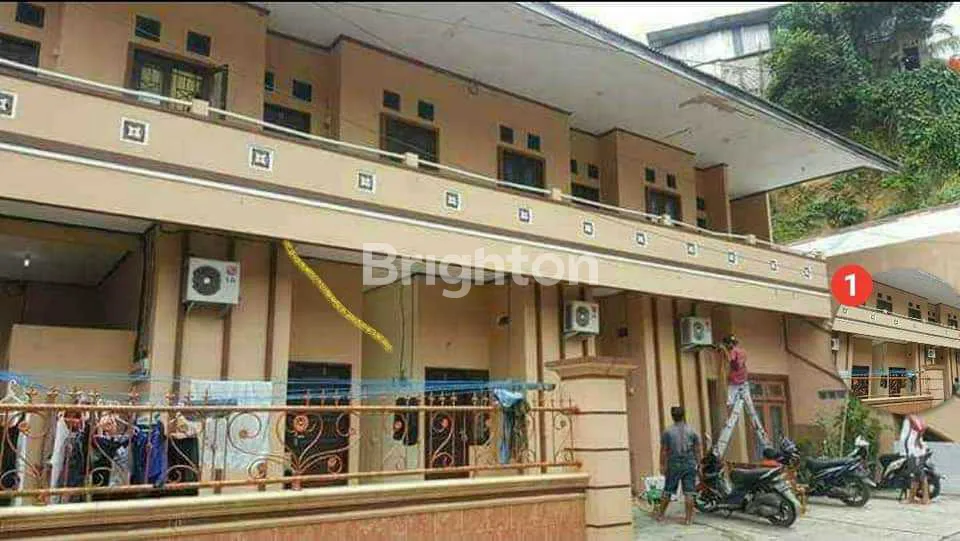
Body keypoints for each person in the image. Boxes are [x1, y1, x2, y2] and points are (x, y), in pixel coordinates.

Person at [654, 406, 701, 525]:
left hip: (673, 463)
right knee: (689, 492)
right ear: (683, 415)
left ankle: (660, 515)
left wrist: (662, 465)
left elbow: (664, 450)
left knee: (668, 490)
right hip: (689, 463)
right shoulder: (692, 431)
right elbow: (697, 450)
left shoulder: (667, 432)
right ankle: (688, 519)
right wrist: (699, 464)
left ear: (672, 416)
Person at [897, 414, 929, 504]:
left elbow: (922, 428)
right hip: (912, 450)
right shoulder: (910, 417)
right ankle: (912, 498)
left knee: (920, 474)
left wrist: (917, 440)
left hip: (914, 451)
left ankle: (925, 498)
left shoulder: (912, 416)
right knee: (916, 475)